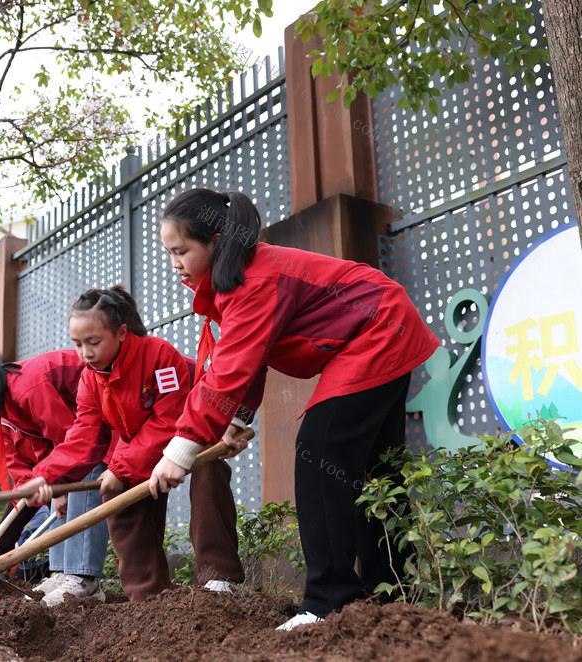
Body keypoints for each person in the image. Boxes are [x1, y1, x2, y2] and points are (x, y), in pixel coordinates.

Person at [148, 187, 439, 629]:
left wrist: (180, 449)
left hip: (378, 329)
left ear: (217, 240)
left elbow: (227, 372)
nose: (173, 263)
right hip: (384, 325)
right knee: (375, 471)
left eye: (181, 250)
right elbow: (251, 358)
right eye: (168, 252)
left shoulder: (255, 281)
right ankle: (391, 593)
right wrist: (238, 421)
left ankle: (327, 601)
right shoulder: (238, 282)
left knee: (321, 456)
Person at [22, 286, 243, 604]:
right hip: (140, 448)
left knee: (209, 468)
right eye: (77, 344)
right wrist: (46, 475)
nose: (85, 353)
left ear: (121, 333)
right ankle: (150, 596)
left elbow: (169, 419)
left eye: (94, 342)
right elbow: (82, 435)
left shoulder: (160, 356)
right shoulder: (90, 378)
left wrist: (122, 465)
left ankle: (220, 579)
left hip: (190, 435)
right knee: (115, 489)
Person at [0, 349, 114, 606]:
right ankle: (64, 572)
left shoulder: (29, 386)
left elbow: (74, 440)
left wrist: (58, 486)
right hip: (80, 439)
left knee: (84, 475)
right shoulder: (5, 414)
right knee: (54, 498)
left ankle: (84, 579)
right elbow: (22, 478)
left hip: (102, 428)